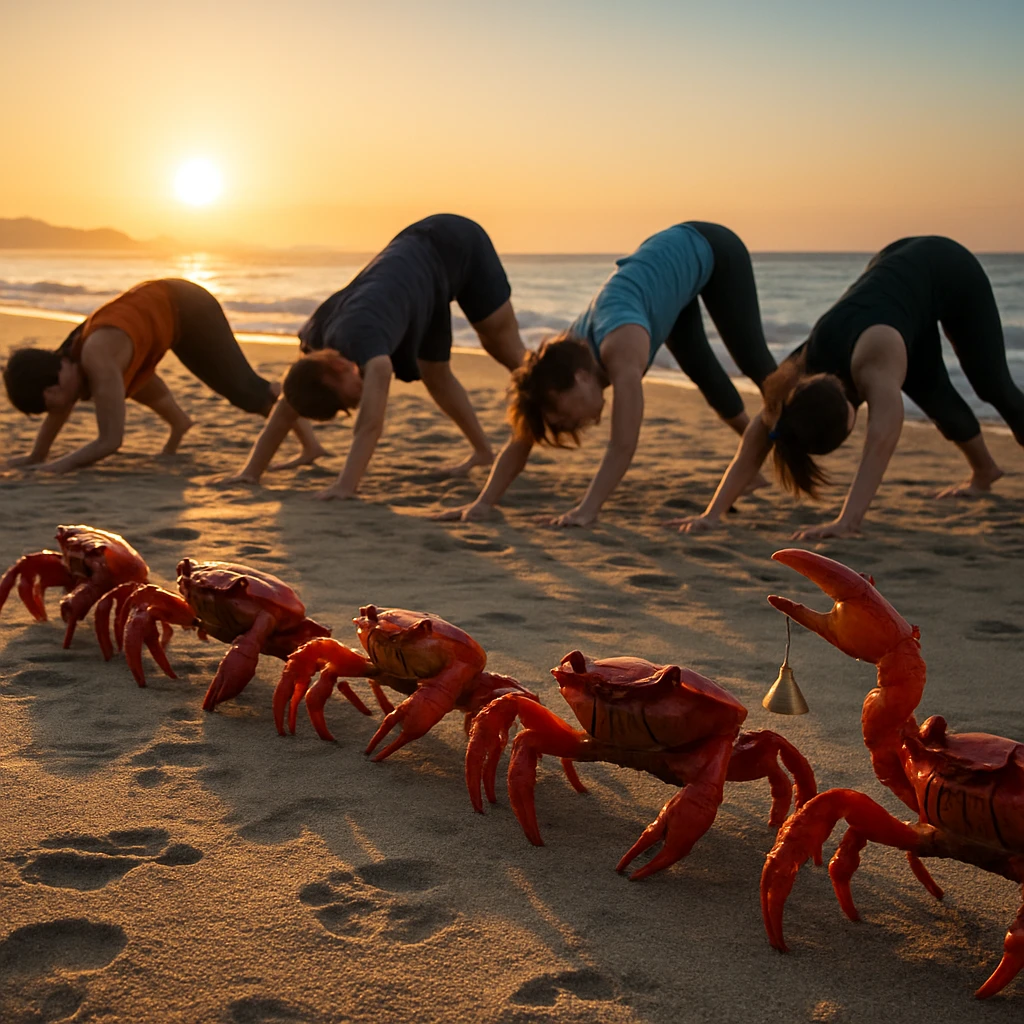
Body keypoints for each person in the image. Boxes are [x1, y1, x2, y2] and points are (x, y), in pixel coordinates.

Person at [674, 236, 1024, 540]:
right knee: (933, 392)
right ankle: (985, 471)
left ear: (852, 415)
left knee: (993, 386)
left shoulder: (876, 362)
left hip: (949, 267)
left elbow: (881, 439)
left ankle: (983, 469)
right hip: (897, 293)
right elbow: (760, 434)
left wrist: (847, 520)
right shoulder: (798, 375)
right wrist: (712, 513)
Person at [435, 221, 776, 527]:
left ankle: (804, 416)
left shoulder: (622, 346)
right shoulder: (561, 362)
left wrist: (587, 510)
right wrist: (483, 503)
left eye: (564, 416)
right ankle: (753, 467)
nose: (568, 425)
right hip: (666, 278)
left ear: (581, 379)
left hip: (711, 246)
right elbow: (521, 439)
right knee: (707, 376)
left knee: (761, 370)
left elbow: (623, 443)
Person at [226, 213, 526, 500]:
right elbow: (286, 406)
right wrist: (251, 471)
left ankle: (556, 393)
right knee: (434, 372)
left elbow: (370, 424)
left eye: (345, 401)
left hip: (458, 242)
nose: (352, 406)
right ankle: (484, 453)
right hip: (420, 283)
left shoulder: (368, 348)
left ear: (337, 366)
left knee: (504, 348)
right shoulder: (315, 346)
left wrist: (346, 485)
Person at [3, 278, 326, 474]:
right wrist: (37, 455)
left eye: (50, 402)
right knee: (124, 383)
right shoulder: (66, 360)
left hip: (187, 306)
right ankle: (180, 422)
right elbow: (61, 407)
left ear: (51, 389)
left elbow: (111, 440)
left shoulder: (97, 356)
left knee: (245, 391)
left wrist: (59, 466)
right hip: (158, 311)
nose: (58, 410)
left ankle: (309, 445)